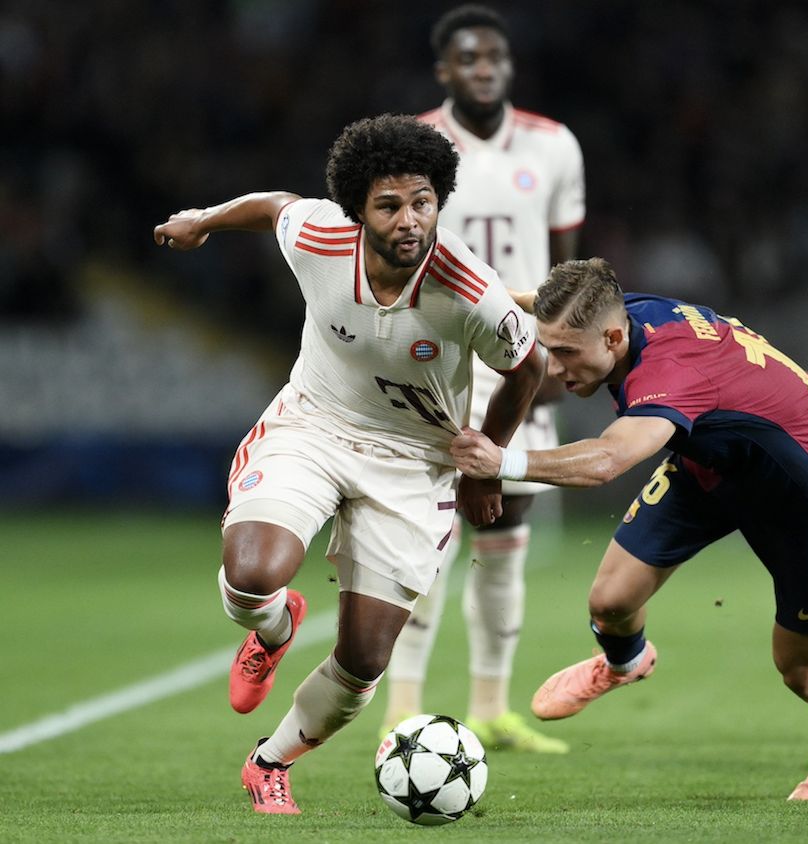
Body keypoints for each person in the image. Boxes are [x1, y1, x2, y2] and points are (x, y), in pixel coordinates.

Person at [152, 113, 544, 815]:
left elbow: (528, 366)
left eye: (423, 201)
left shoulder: (469, 287)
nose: (410, 219)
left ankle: (269, 762)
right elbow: (275, 206)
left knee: (365, 658)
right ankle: (274, 630)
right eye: (390, 204)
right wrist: (205, 219)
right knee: (250, 576)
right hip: (316, 426)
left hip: (414, 466)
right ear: (357, 209)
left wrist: (486, 464)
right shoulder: (320, 236)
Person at [451, 257, 808, 801]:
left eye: (563, 353)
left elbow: (607, 460)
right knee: (610, 600)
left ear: (612, 337)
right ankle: (625, 662)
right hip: (715, 462)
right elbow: (546, 307)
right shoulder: (625, 315)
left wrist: (501, 463)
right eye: (548, 348)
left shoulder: (671, 374)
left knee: (804, 673)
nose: (553, 368)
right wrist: (463, 289)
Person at [380, 4, 585, 754]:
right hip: (438, 361)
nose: (484, 68)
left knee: (506, 532)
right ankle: (401, 709)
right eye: (468, 58)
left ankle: (491, 709)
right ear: (445, 70)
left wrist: (560, 349)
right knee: (420, 536)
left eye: (494, 56)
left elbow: (569, 266)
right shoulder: (417, 144)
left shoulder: (555, 146)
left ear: (508, 64)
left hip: (519, 359)